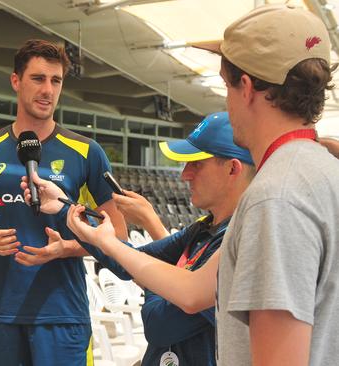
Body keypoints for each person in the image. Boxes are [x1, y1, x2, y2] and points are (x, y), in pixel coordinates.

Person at [65, 4, 339, 365]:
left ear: (245, 88)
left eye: (226, 86)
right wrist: (105, 242)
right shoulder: (320, 173)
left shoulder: (275, 198)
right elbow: (195, 290)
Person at [0, 39, 127, 366]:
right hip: (0, 313)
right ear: (16, 81)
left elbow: (121, 236)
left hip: (63, 314)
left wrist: (67, 248)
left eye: (56, 81)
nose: (48, 90)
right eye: (38, 79)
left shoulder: (86, 152)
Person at [23, 112, 254, 365]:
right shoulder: (204, 229)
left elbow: (160, 324)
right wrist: (65, 208)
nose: (184, 175)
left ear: (233, 168)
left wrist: (155, 278)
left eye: (196, 164)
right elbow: (131, 261)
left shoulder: (238, 244)